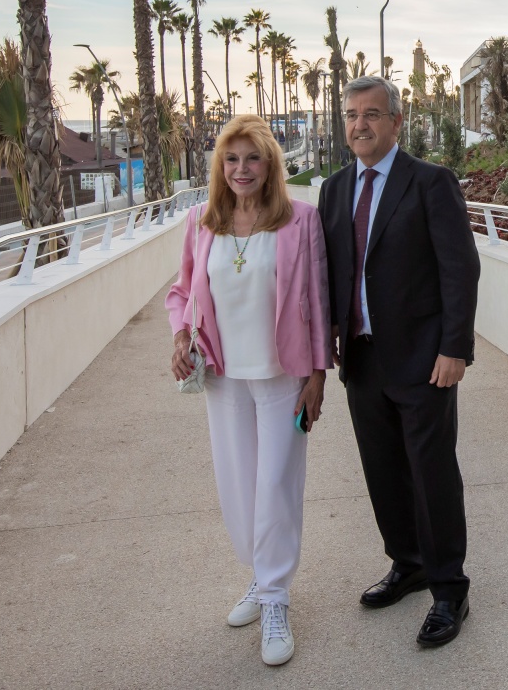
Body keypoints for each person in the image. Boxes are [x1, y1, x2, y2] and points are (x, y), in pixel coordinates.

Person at [317, 75, 480, 648]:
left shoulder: (430, 182)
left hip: (423, 360)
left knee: (432, 474)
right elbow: (333, 271)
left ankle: (448, 588)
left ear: (395, 122)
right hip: (361, 358)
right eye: (351, 115)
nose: (359, 124)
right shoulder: (334, 190)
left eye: (371, 114)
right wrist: (328, 336)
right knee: (383, 471)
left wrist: (455, 347)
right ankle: (407, 563)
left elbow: (460, 268)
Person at [167, 114, 331, 667]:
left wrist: (317, 374)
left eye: (252, 159)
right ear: (220, 166)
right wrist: (182, 335)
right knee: (239, 486)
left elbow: (319, 301)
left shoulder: (300, 222)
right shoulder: (200, 223)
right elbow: (182, 292)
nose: (241, 170)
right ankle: (262, 580)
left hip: (283, 375)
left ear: (270, 164)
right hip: (224, 376)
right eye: (231, 159)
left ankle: (278, 597)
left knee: (276, 484)